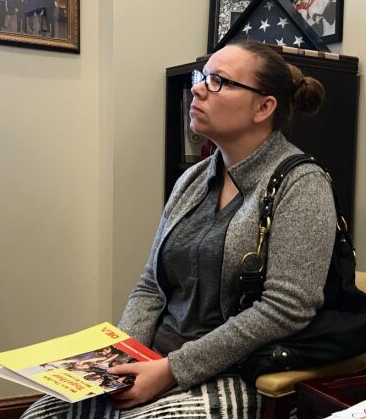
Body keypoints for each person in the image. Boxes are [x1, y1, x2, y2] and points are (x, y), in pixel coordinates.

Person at [22, 38, 334, 417]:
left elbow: (287, 308)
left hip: (238, 371)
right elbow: (151, 284)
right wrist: (121, 361)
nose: (198, 88)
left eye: (219, 81)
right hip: (156, 359)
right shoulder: (194, 179)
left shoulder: (301, 184)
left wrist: (171, 371)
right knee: (40, 415)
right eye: (202, 76)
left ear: (264, 107)